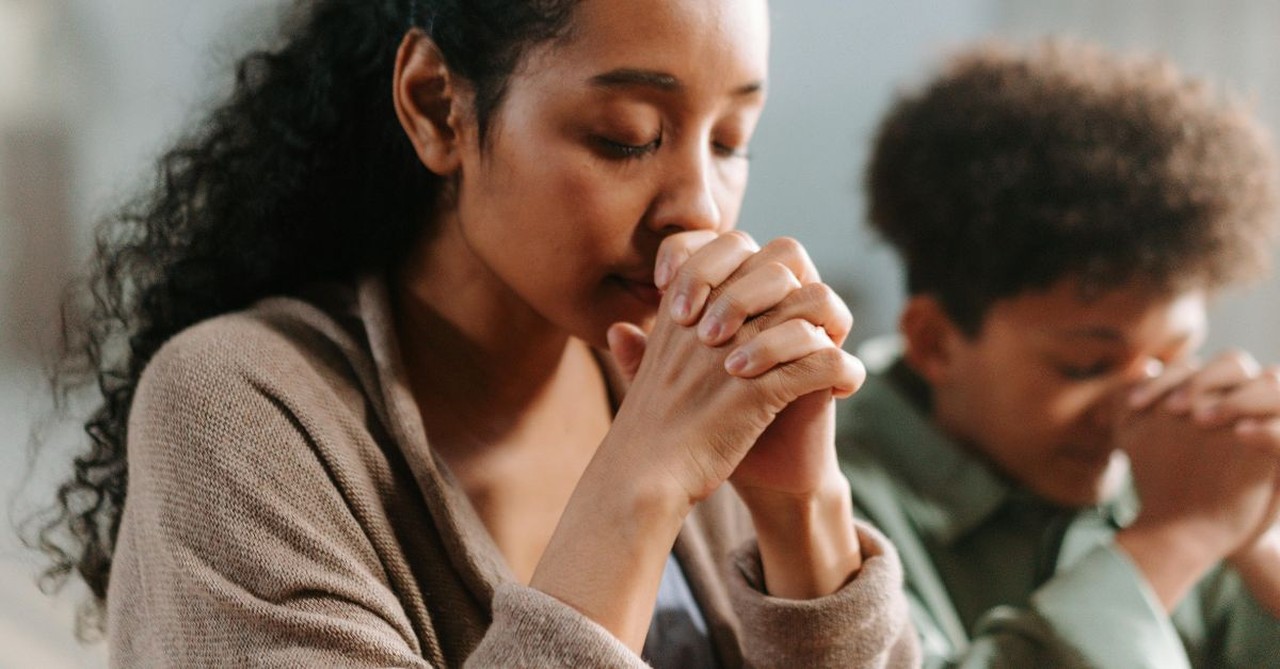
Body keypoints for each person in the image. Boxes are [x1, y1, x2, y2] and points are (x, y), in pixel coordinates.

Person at [31, 0, 922, 666]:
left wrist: (802, 513)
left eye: (729, 141)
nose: (699, 209)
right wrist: (638, 485)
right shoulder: (239, 409)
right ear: (435, 106)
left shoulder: (681, 390)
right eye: (626, 138)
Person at [838, 40, 1280, 668]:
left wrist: (1256, 534)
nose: (1137, 404)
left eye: (1175, 356)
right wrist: (1176, 540)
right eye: (1086, 367)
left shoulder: (1176, 478)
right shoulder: (819, 490)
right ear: (935, 341)